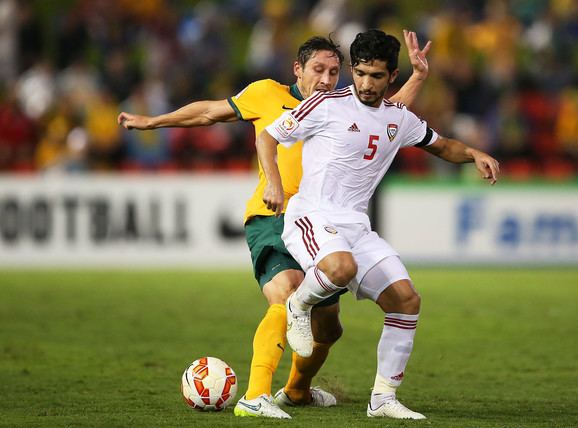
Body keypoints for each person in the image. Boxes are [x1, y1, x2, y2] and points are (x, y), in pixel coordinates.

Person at [118, 30, 432, 419]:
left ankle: (296, 391)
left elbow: (388, 115)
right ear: (297, 69)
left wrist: (418, 77)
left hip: (324, 224)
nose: (326, 79)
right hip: (274, 215)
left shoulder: (343, 106)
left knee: (329, 328)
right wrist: (152, 122)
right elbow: (208, 112)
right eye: (318, 69)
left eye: (334, 72)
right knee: (286, 297)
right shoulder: (268, 94)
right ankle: (255, 395)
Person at [256, 29, 499, 420]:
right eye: (361, 73)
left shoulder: (398, 118)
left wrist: (474, 153)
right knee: (340, 268)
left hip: (355, 225)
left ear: (392, 77)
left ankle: (383, 398)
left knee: (406, 299)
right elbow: (268, 137)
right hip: (311, 214)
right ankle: (298, 305)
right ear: (354, 69)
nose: (366, 84)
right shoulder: (325, 104)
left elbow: (441, 145)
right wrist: (273, 182)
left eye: (376, 76)